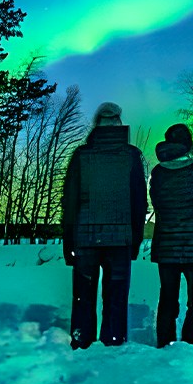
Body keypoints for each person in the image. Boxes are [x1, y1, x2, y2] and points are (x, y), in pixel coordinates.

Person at [61, 101, 146, 348]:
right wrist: (135, 239)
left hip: (85, 240)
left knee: (83, 297)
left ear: (96, 124)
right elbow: (139, 202)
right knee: (116, 298)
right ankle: (113, 342)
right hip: (120, 240)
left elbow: (70, 202)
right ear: (119, 123)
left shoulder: (81, 155)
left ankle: (81, 342)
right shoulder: (131, 155)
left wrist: (69, 243)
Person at [149, 123, 193, 348]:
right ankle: (190, 346)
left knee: (168, 298)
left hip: (165, 245)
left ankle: (165, 344)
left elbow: (157, 203)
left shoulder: (157, 173)